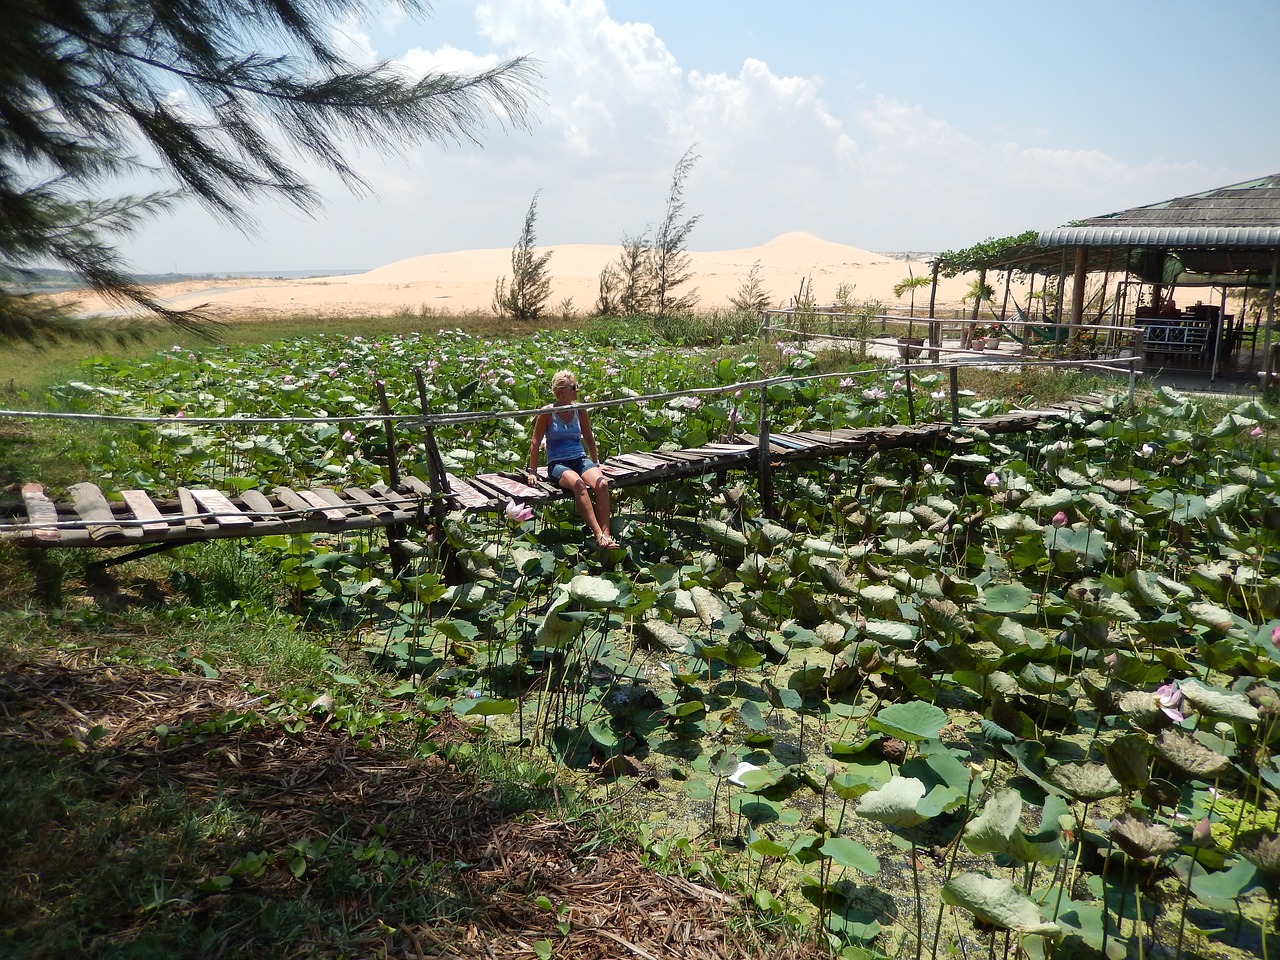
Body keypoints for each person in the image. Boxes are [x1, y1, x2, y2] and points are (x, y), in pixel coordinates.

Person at [526, 369, 618, 549]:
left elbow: (589, 437)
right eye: (574, 387)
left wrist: (596, 463)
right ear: (561, 392)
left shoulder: (579, 410)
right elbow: (535, 442)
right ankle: (598, 534)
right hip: (558, 464)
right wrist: (533, 472)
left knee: (602, 484)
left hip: (579, 458)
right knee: (578, 485)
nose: (577, 390)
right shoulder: (547, 412)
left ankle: (607, 534)